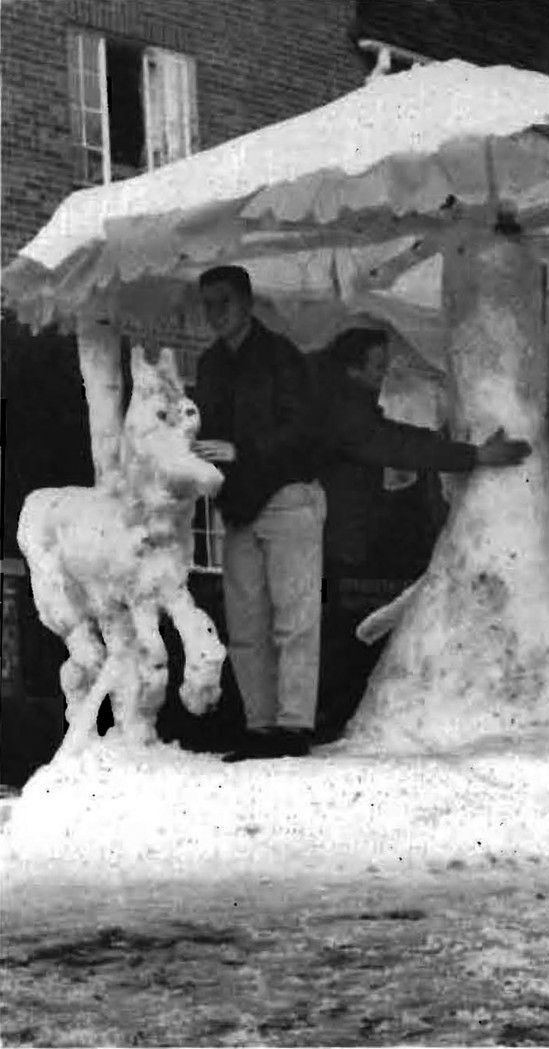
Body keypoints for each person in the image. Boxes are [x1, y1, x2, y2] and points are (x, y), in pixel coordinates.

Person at [313, 326, 532, 743]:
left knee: (341, 627)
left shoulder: (346, 404)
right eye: (377, 367)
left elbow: (394, 435)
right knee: (338, 630)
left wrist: (444, 443)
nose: (383, 376)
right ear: (352, 369)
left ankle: (328, 713)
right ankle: (325, 717)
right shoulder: (344, 410)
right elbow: (391, 444)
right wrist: (473, 455)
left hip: (343, 531)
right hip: (338, 534)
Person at [193, 266, 325, 761]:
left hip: (286, 497)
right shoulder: (209, 364)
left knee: (294, 618)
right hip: (238, 506)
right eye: (207, 304)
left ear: (247, 302)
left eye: (223, 302)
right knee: (246, 624)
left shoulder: (282, 356)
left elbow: (303, 428)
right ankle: (260, 726)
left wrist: (242, 450)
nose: (215, 313)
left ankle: (294, 726)